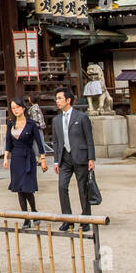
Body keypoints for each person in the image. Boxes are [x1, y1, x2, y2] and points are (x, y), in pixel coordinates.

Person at [52, 86, 96, 230]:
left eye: (60, 98)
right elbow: (56, 141)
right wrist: (56, 160)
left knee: (83, 188)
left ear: (68, 100)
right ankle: (67, 219)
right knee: (61, 186)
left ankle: (85, 220)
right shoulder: (56, 120)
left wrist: (91, 158)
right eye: (56, 98)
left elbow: (89, 138)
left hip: (81, 156)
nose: (57, 101)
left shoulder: (81, 117)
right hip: (64, 158)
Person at [3, 97, 47, 225]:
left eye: (17, 107)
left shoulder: (31, 124)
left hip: (28, 157)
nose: (15, 110)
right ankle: (26, 218)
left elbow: (39, 143)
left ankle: (33, 210)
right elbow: (8, 142)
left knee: (27, 187)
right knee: (19, 188)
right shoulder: (11, 123)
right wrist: (6, 157)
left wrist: (42, 158)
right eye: (13, 108)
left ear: (23, 108)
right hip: (16, 157)